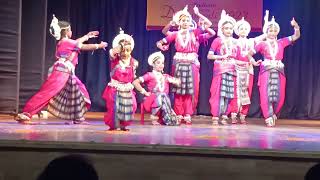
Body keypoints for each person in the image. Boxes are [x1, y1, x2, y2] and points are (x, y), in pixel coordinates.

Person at [15, 15, 107, 124]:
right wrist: (99, 45)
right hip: (61, 73)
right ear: (67, 31)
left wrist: (87, 36)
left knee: (78, 92)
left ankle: (78, 118)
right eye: (70, 30)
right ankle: (26, 113)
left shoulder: (66, 42)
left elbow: (76, 43)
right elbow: (82, 46)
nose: (71, 31)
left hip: (67, 73)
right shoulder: (66, 42)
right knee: (47, 92)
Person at [156, 5, 215, 124]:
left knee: (189, 89)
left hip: (192, 63)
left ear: (190, 22)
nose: (185, 22)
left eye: (188, 20)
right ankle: (178, 113)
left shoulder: (195, 32)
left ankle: (187, 113)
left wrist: (198, 14)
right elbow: (163, 35)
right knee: (178, 89)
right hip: (178, 62)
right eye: (183, 20)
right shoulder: (175, 34)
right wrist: (160, 45)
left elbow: (210, 28)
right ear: (179, 22)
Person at [247, 10, 300, 127]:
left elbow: (296, 36)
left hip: (279, 69)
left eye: (275, 30)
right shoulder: (262, 44)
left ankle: (274, 113)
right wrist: (254, 62)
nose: (272, 32)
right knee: (266, 93)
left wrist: (296, 26)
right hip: (266, 69)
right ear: (266, 31)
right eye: (270, 30)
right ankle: (268, 115)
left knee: (279, 95)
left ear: (277, 31)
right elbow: (249, 54)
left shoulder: (282, 42)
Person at [230, 17, 266, 124]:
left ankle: (243, 114)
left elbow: (264, 35)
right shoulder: (233, 41)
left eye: (245, 29)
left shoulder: (251, 41)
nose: (243, 31)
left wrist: (266, 21)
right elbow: (221, 35)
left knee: (247, 91)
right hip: (236, 68)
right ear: (237, 31)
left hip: (247, 69)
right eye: (241, 29)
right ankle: (233, 114)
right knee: (235, 92)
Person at [102, 28, 138, 131]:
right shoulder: (114, 59)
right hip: (115, 88)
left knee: (132, 106)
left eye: (127, 50)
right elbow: (112, 52)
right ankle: (115, 125)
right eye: (122, 50)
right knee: (115, 107)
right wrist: (122, 43)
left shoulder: (133, 62)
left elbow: (133, 77)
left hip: (127, 88)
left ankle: (123, 124)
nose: (124, 53)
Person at [207, 10, 238, 125]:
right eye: (226, 28)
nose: (229, 30)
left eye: (230, 28)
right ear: (222, 29)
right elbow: (209, 56)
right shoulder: (217, 40)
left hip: (232, 70)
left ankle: (225, 115)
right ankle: (215, 115)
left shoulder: (235, 42)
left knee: (229, 94)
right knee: (218, 93)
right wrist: (222, 56)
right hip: (220, 70)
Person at [133, 51, 181, 126]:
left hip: (164, 101)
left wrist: (178, 80)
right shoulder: (150, 75)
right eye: (158, 63)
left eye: (162, 63)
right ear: (153, 65)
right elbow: (135, 82)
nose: (161, 65)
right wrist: (145, 92)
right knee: (162, 95)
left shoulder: (166, 76)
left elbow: (178, 82)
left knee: (163, 95)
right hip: (151, 100)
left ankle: (168, 116)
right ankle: (159, 116)